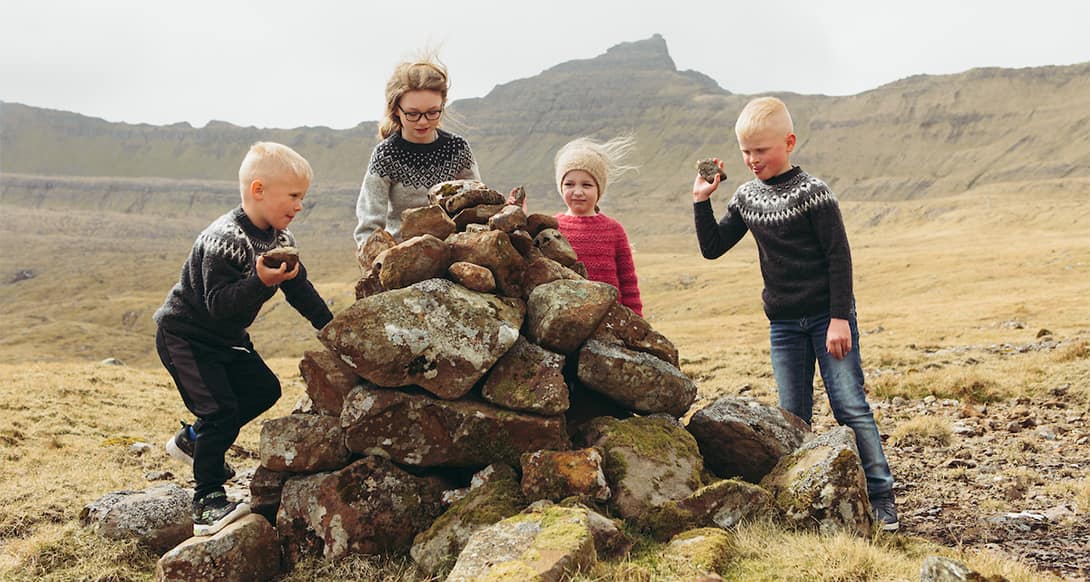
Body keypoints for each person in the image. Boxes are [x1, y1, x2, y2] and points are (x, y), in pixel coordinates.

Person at [691, 97, 899, 531]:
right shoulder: (747, 196)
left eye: (761, 151)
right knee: (792, 417)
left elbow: (838, 258)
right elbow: (712, 247)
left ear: (788, 143)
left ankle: (880, 497)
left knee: (850, 407)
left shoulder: (814, 195)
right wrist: (701, 201)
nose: (752, 160)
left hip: (828, 318)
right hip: (784, 326)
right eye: (746, 152)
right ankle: (804, 500)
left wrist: (840, 317)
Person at [154, 142, 333, 536]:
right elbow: (218, 305)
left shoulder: (280, 238)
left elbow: (299, 289)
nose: (300, 205)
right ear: (258, 190)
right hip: (186, 337)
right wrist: (257, 282)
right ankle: (206, 502)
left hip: (226, 339)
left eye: (302, 197)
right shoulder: (223, 239)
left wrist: (332, 329)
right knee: (219, 411)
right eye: (293, 196)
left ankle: (193, 441)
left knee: (264, 389)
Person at [353, 54, 480, 245]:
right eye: (413, 114)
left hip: (453, 252)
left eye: (432, 112)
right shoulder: (386, 155)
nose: (423, 121)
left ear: (442, 106)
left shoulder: (458, 149)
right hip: (401, 255)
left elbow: (477, 207)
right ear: (396, 109)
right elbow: (368, 226)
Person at [551, 136, 643, 316]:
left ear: (599, 188)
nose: (578, 192)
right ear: (560, 187)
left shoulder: (614, 230)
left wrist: (637, 324)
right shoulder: (552, 228)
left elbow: (629, 285)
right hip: (566, 322)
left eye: (587, 184)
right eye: (569, 184)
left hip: (610, 321)